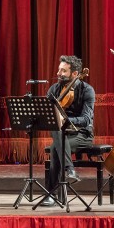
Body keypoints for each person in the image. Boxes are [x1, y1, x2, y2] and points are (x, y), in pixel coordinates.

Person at [42, 55, 95, 206]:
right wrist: (58, 120)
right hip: (62, 134)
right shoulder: (54, 89)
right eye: (59, 69)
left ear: (75, 74)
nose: (58, 73)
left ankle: (50, 194)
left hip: (81, 134)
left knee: (55, 147)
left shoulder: (87, 90)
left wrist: (67, 120)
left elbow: (86, 119)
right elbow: (48, 115)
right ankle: (70, 169)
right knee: (56, 128)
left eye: (63, 71)